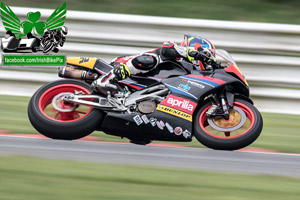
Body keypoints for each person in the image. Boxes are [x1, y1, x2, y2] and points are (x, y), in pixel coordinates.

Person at [92, 34, 217, 92]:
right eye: (205, 55)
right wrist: (192, 53)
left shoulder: (186, 70)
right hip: (120, 65)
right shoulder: (177, 51)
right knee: (148, 61)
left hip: (140, 83)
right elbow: (167, 47)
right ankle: (106, 79)